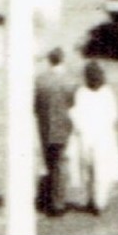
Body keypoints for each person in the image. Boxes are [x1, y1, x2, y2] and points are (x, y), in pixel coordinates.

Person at [67, 61, 118, 214]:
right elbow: (114, 114)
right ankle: (100, 201)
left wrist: (80, 128)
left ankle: (93, 199)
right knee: (102, 170)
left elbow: (75, 115)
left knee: (89, 171)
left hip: (87, 137)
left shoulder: (81, 93)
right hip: (103, 135)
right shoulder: (106, 92)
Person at [34, 48, 75, 216]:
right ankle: (58, 203)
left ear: (49, 61)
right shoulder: (70, 81)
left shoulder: (40, 81)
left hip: (44, 127)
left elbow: (34, 105)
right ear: (62, 59)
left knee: (49, 162)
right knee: (61, 163)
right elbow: (74, 103)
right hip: (63, 127)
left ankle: (48, 198)